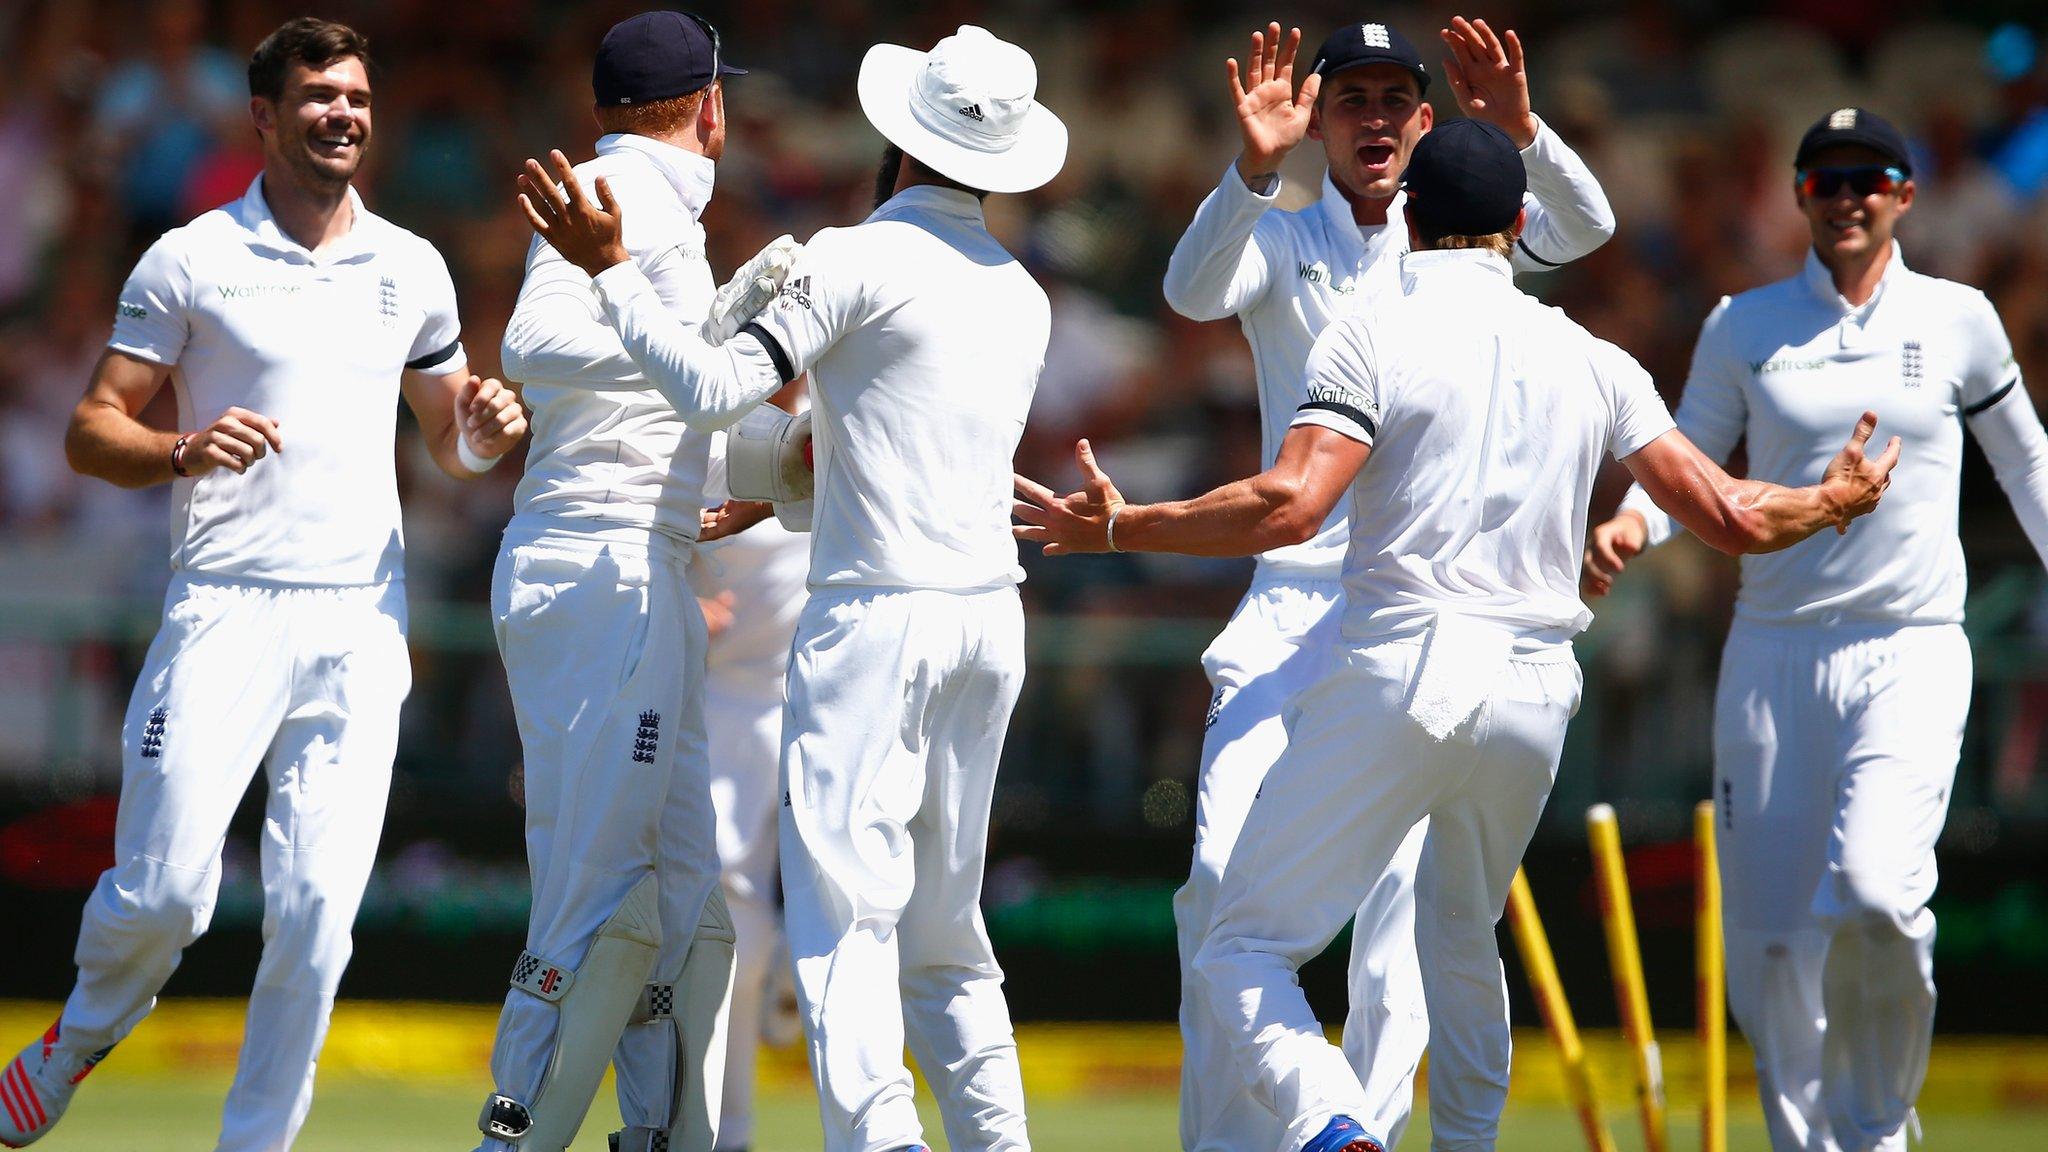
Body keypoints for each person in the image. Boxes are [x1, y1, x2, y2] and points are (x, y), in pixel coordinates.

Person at [1016, 118, 1898, 1152]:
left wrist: (1124, 525)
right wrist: (1831, 501)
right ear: (1519, 224)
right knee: (1459, 939)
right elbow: (1733, 517)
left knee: (1239, 947)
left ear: (1408, 219)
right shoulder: (1588, 353)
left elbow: (1291, 507)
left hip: (1405, 667)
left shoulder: (1369, 328)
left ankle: (1332, 1126)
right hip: (1534, 692)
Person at [514, 24, 1067, 1152]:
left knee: (841, 925)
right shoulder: (1021, 291)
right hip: (988, 622)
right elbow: (882, 437)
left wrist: (612, 276)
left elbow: (716, 392)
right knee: (947, 932)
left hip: (877, 619)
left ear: (898, 140)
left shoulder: (851, 255)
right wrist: (775, 490)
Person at [0, 18, 528, 1151]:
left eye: (358, 96)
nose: (345, 112)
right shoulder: (193, 256)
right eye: (319, 96)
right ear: (262, 116)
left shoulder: (411, 265)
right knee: (166, 897)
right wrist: (184, 449)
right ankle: (80, 1036)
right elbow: (94, 432)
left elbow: (450, 441)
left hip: (359, 615)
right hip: (224, 605)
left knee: (315, 919)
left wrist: (484, 431)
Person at [1159, 18, 1614, 1149]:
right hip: (1291, 601)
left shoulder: (1469, 253)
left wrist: (1517, 127)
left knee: (1396, 926)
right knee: (1221, 883)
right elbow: (1188, 290)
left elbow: (1585, 227)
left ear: (1423, 122)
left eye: (1390, 101)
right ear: (1318, 118)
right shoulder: (1278, 235)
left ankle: (1359, 1130)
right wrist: (1250, 169)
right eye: (1347, 99)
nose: (1370, 119)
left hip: (1413, 614)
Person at [1582, 106, 2048, 1152]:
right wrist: (1629, 521)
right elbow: (1688, 463)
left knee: (1878, 894)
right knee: (1769, 946)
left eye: (1866, 178)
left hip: (1911, 646)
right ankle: (1806, 1142)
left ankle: (1873, 1128)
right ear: (1797, 196)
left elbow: (2024, 464)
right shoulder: (1741, 326)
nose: (1846, 196)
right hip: (1771, 656)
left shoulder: (1959, 318)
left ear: (1903, 195)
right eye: (1825, 180)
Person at [478, 12, 784, 1152]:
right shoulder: (636, 200)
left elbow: (659, 392)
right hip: (597, 562)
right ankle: (507, 1137)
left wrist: (759, 460)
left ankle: (663, 1137)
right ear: (709, 107)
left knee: (683, 895)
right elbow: (532, 343)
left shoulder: (648, 205)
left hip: (636, 554)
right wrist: (697, 335)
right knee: (599, 897)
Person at [689, 388, 813, 1152]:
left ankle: (794, 963)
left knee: (870, 885)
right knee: (728, 923)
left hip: (836, 697)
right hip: (728, 703)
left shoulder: (857, 409)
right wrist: (678, 595)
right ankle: (723, 1132)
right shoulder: (707, 435)